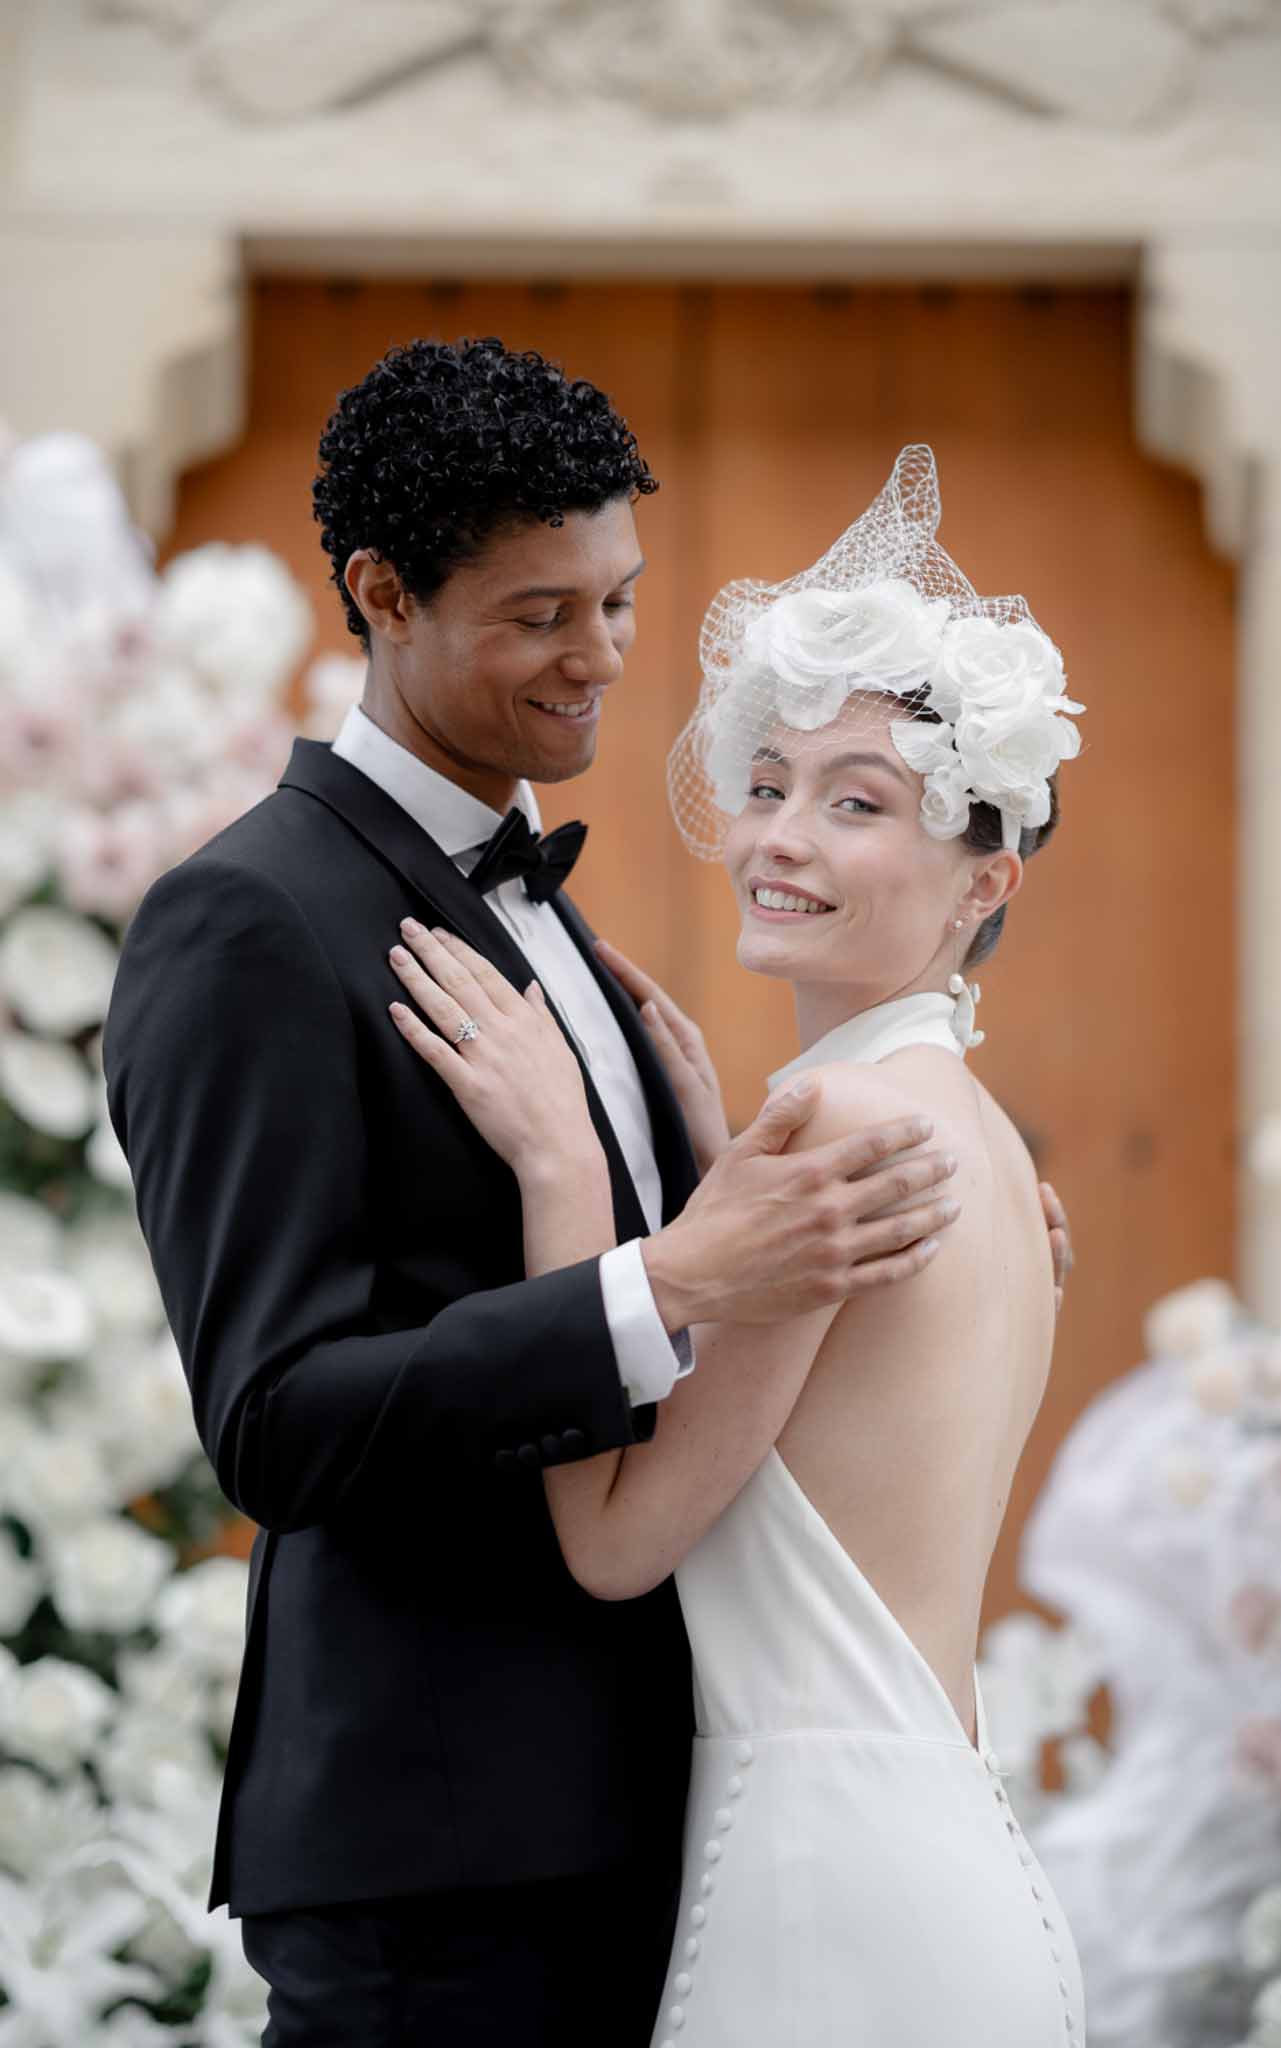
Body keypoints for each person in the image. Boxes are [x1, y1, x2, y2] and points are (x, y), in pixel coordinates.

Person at [103, 345, 1035, 2047]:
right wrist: (659, 1281)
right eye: (542, 614)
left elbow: (725, 1304)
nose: (603, 659)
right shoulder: (247, 923)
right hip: (443, 1864)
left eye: (616, 601)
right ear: (381, 595)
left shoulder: (567, 935)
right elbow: (277, 1423)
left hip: (671, 1839)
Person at [386, 445, 1087, 2045]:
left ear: (987, 880)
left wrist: (565, 1165)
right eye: (767, 783)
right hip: (936, 1867)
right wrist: (714, 1166)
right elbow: (840, 1438)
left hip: (825, 1891)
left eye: (857, 805)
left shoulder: (843, 1134)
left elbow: (617, 1543)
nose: (778, 834)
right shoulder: (958, 1131)